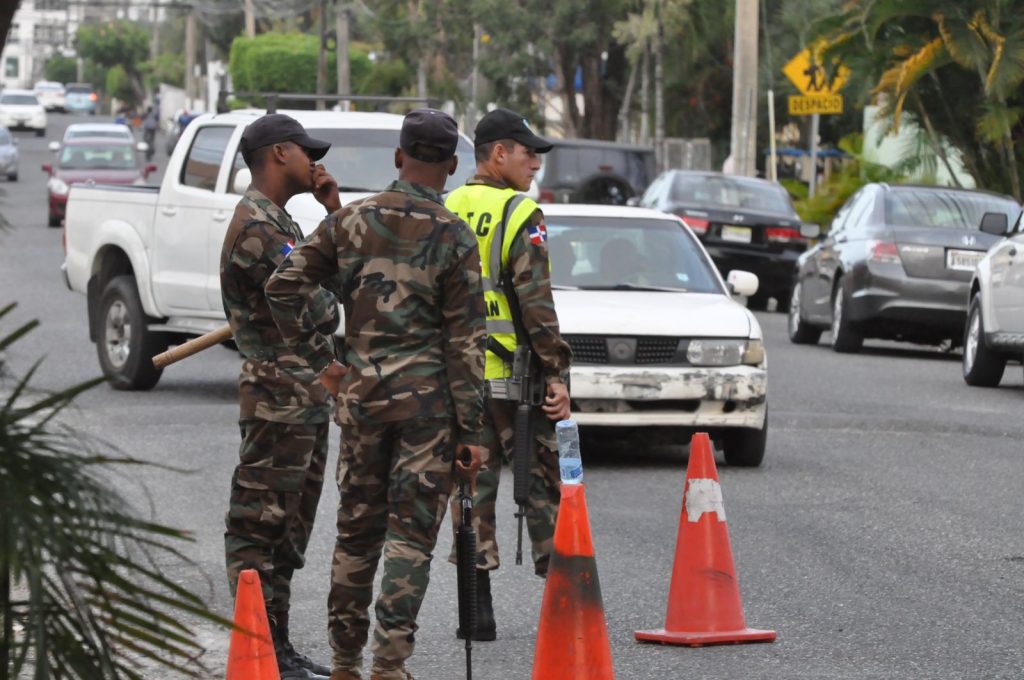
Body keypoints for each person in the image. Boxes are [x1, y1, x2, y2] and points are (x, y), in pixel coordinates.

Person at [265, 108, 486, 680]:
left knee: (356, 535)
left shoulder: (350, 222)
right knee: (410, 540)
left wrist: (323, 363)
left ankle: (344, 663)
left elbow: (282, 286)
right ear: (452, 166)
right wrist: (472, 432)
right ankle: (389, 666)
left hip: (362, 403)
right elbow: (466, 343)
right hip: (429, 413)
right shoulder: (455, 236)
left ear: (398, 156)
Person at [220, 113, 342, 680]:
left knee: (289, 530)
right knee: (259, 525)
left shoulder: (282, 222)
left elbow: (337, 283)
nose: (313, 161)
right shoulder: (257, 230)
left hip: (303, 396)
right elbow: (323, 306)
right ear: (277, 154)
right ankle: (258, 648)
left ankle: (280, 647)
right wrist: (325, 291)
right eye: (304, 151)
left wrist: (331, 211)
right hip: (276, 398)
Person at [443, 107, 573, 641]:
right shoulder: (521, 213)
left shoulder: (447, 206)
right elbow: (535, 304)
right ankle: (566, 606)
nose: (536, 164)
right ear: (499, 153)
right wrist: (556, 373)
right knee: (544, 483)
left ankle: (476, 614)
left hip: (461, 378)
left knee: (472, 489)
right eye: (528, 153)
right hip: (517, 378)